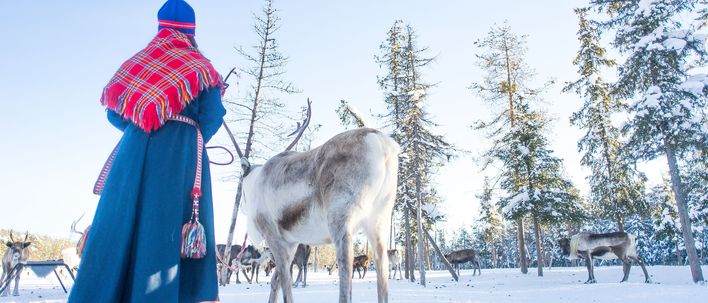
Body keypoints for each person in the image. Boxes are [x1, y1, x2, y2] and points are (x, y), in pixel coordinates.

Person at [69, 1, 225, 302]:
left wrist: (146, 124)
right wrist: (184, 136)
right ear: (192, 31)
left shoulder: (137, 65)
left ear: (160, 27)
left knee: (123, 218)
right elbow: (212, 116)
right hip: (179, 156)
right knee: (164, 225)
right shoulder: (201, 69)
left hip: (133, 151)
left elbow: (114, 114)